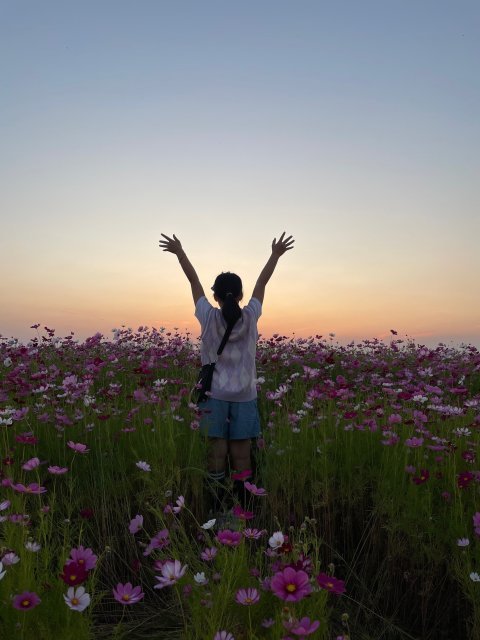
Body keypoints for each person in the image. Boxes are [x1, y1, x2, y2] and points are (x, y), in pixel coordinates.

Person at [159, 231, 294, 514]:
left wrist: (180, 253)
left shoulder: (208, 316)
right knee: (242, 456)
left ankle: (217, 510)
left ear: (215, 296)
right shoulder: (251, 315)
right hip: (245, 395)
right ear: (241, 295)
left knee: (216, 455)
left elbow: (193, 281)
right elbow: (262, 282)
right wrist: (275, 255)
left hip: (214, 396)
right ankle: (243, 511)